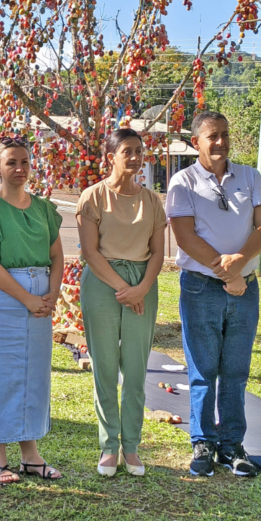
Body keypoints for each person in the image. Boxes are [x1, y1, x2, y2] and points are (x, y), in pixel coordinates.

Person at [165, 111, 261, 478]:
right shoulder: (183, 182)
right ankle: (203, 442)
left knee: (236, 371)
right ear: (196, 142)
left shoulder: (250, 177)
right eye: (213, 136)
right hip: (200, 287)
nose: (221, 142)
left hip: (246, 288)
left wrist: (241, 264)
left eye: (225, 134)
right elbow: (184, 237)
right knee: (203, 369)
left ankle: (231, 446)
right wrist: (226, 272)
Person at [0, 137, 65, 484]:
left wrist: (52, 293)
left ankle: (31, 456)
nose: (19, 169)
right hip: (2, 296)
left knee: (32, 374)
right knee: (0, 372)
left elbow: (56, 255)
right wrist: (27, 298)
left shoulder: (43, 209)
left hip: (40, 297)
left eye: (24, 161)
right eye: (11, 162)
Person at [76, 128, 167, 477]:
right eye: (126, 151)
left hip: (144, 282)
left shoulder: (152, 201)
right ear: (110, 156)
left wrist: (141, 288)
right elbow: (90, 252)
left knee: (135, 367)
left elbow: (159, 253)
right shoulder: (93, 197)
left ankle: (131, 447)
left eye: (138, 151)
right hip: (102, 283)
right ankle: (108, 446)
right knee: (104, 366)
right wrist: (123, 289)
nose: (134, 157)